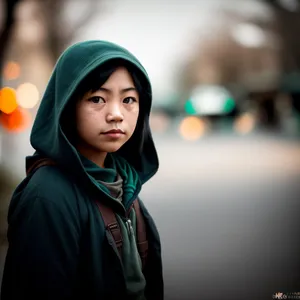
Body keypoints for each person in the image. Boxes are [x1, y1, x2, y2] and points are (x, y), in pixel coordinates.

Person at [1, 40, 163, 300]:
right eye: (97, 98)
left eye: (129, 99)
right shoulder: (48, 196)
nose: (116, 114)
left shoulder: (125, 184)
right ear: (67, 105)